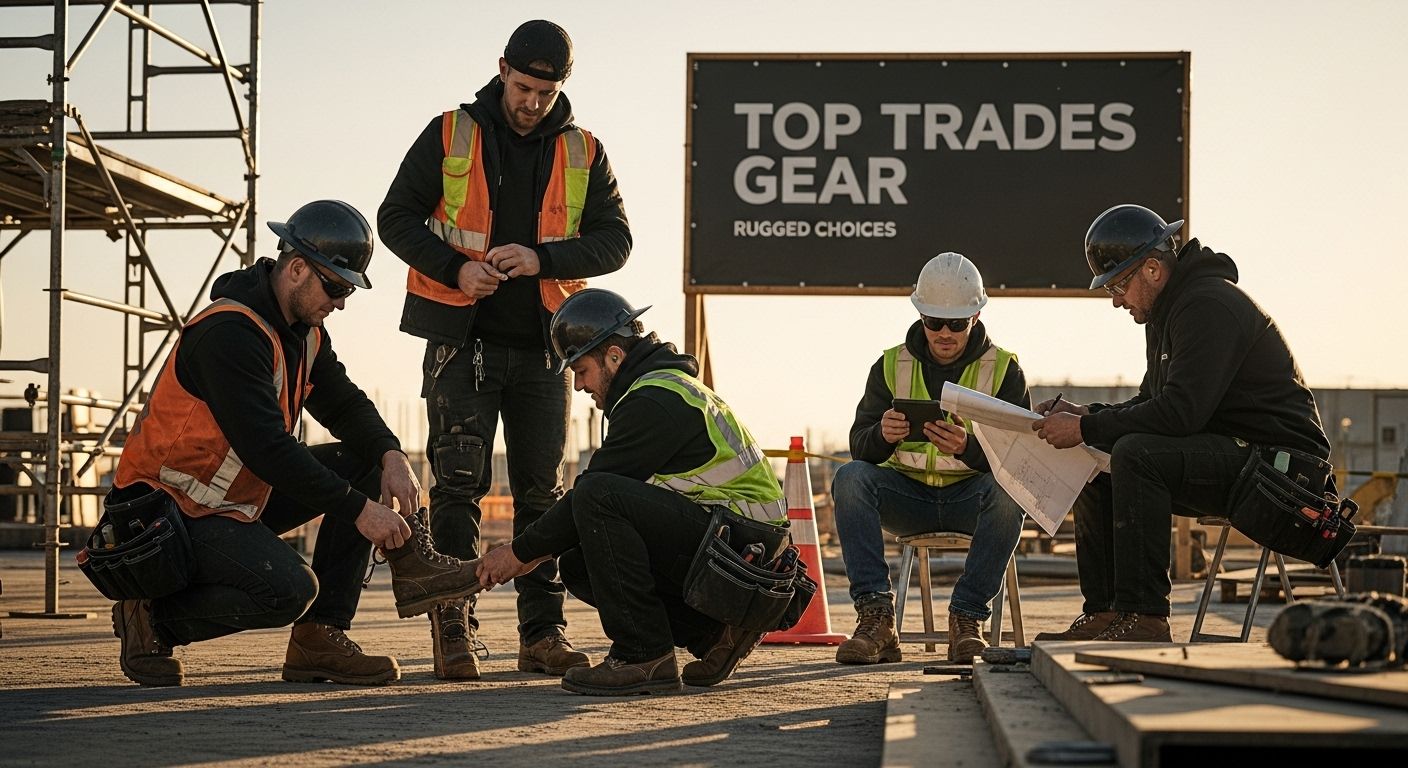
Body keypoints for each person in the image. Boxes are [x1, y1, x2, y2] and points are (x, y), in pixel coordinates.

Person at [107, 200, 482, 687]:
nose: (341, 302)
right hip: (164, 513)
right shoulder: (229, 333)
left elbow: (344, 404)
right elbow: (266, 448)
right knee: (288, 589)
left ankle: (319, 638)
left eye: (349, 290)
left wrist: (392, 454)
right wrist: (360, 511)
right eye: (336, 286)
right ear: (298, 268)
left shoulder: (304, 334)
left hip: (228, 503)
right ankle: (151, 619)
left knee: (365, 463)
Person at [378, 19, 632, 681]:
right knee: (457, 488)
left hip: (546, 350)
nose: (533, 103)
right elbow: (394, 217)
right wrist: (456, 269)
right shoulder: (449, 133)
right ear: (502, 70)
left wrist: (544, 257)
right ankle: (454, 630)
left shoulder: (584, 151)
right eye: (523, 88)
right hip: (461, 345)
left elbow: (616, 241)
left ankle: (541, 635)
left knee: (542, 495)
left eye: (546, 93)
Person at [1032, 203, 1331, 642]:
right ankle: (1106, 611)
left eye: (1118, 285)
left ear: (1153, 269)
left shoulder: (1207, 305)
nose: (1116, 301)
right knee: (1095, 461)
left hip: (1283, 470)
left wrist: (1084, 428)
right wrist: (1088, 417)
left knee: (1134, 453)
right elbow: (1152, 403)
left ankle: (1145, 617)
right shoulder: (1166, 312)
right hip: (1237, 454)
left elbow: (1179, 413)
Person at [476, 289, 791, 696]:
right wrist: (533, 552)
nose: (580, 385)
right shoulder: (660, 388)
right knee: (579, 564)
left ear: (613, 356)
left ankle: (643, 655)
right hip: (738, 546)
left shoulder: (656, 400)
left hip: (746, 555)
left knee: (597, 495)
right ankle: (716, 634)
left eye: (582, 370)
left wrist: (517, 554)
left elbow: (592, 492)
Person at [832, 252, 1029, 664]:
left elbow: (1021, 460)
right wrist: (882, 436)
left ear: (975, 317)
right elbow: (859, 446)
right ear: (920, 315)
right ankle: (876, 618)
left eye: (956, 324)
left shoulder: (1004, 369)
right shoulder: (890, 365)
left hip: (971, 502)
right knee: (850, 478)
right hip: (908, 500)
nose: (944, 333)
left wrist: (968, 448)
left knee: (1011, 493)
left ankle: (967, 618)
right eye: (934, 322)